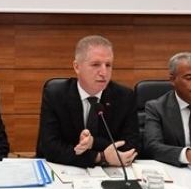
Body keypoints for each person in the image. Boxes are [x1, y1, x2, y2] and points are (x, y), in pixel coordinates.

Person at [37, 35, 141, 168]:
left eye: (108, 65)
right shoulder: (56, 95)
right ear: (77, 67)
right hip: (65, 169)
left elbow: (132, 146)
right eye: (95, 65)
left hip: (112, 172)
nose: (104, 72)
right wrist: (100, 157)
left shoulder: (124, 96)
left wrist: (93, 142)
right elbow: (51, 148)